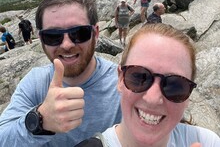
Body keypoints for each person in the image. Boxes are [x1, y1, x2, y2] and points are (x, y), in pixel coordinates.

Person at [0, 0, 121, 146]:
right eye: (53, 36)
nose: (66, 44)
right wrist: (41, 121)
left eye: (79, 33)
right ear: (41, 39)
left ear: (96, 33)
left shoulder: (121, 83)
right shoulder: (36, 82)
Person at [75, 23, 220, 147]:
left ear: (188, 96)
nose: (153, 98)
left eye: (175, 85)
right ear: (120, 79)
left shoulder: (206, 142)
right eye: (139, 77)